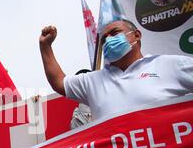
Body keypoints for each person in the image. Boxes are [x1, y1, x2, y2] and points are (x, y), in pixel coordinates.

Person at [39, 20, 193, 121]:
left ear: (137, 35)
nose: (108, 40)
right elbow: (59, 82)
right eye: (104, 39)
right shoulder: (93, 81)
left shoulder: (168, 65)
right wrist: (45, 46)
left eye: (114, 33)